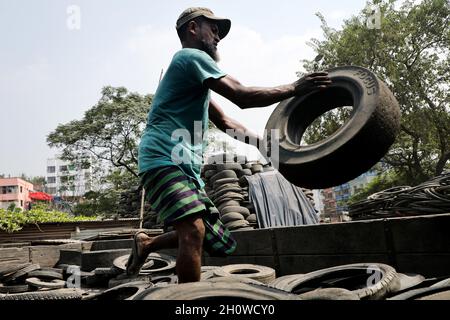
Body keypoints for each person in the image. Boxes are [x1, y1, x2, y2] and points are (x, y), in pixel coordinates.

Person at [126, 7, 331, 283]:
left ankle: (146, 245)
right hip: (163, 159)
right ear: (192, 29)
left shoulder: (193, 79)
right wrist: (295, 87)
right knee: (194, 230)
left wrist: (263, 144)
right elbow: (241, 95)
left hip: (185, 167)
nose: (218, 35)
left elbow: (225, 121)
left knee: (212, 237)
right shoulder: (189, 57)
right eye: (213, 28)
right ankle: (188, 301)